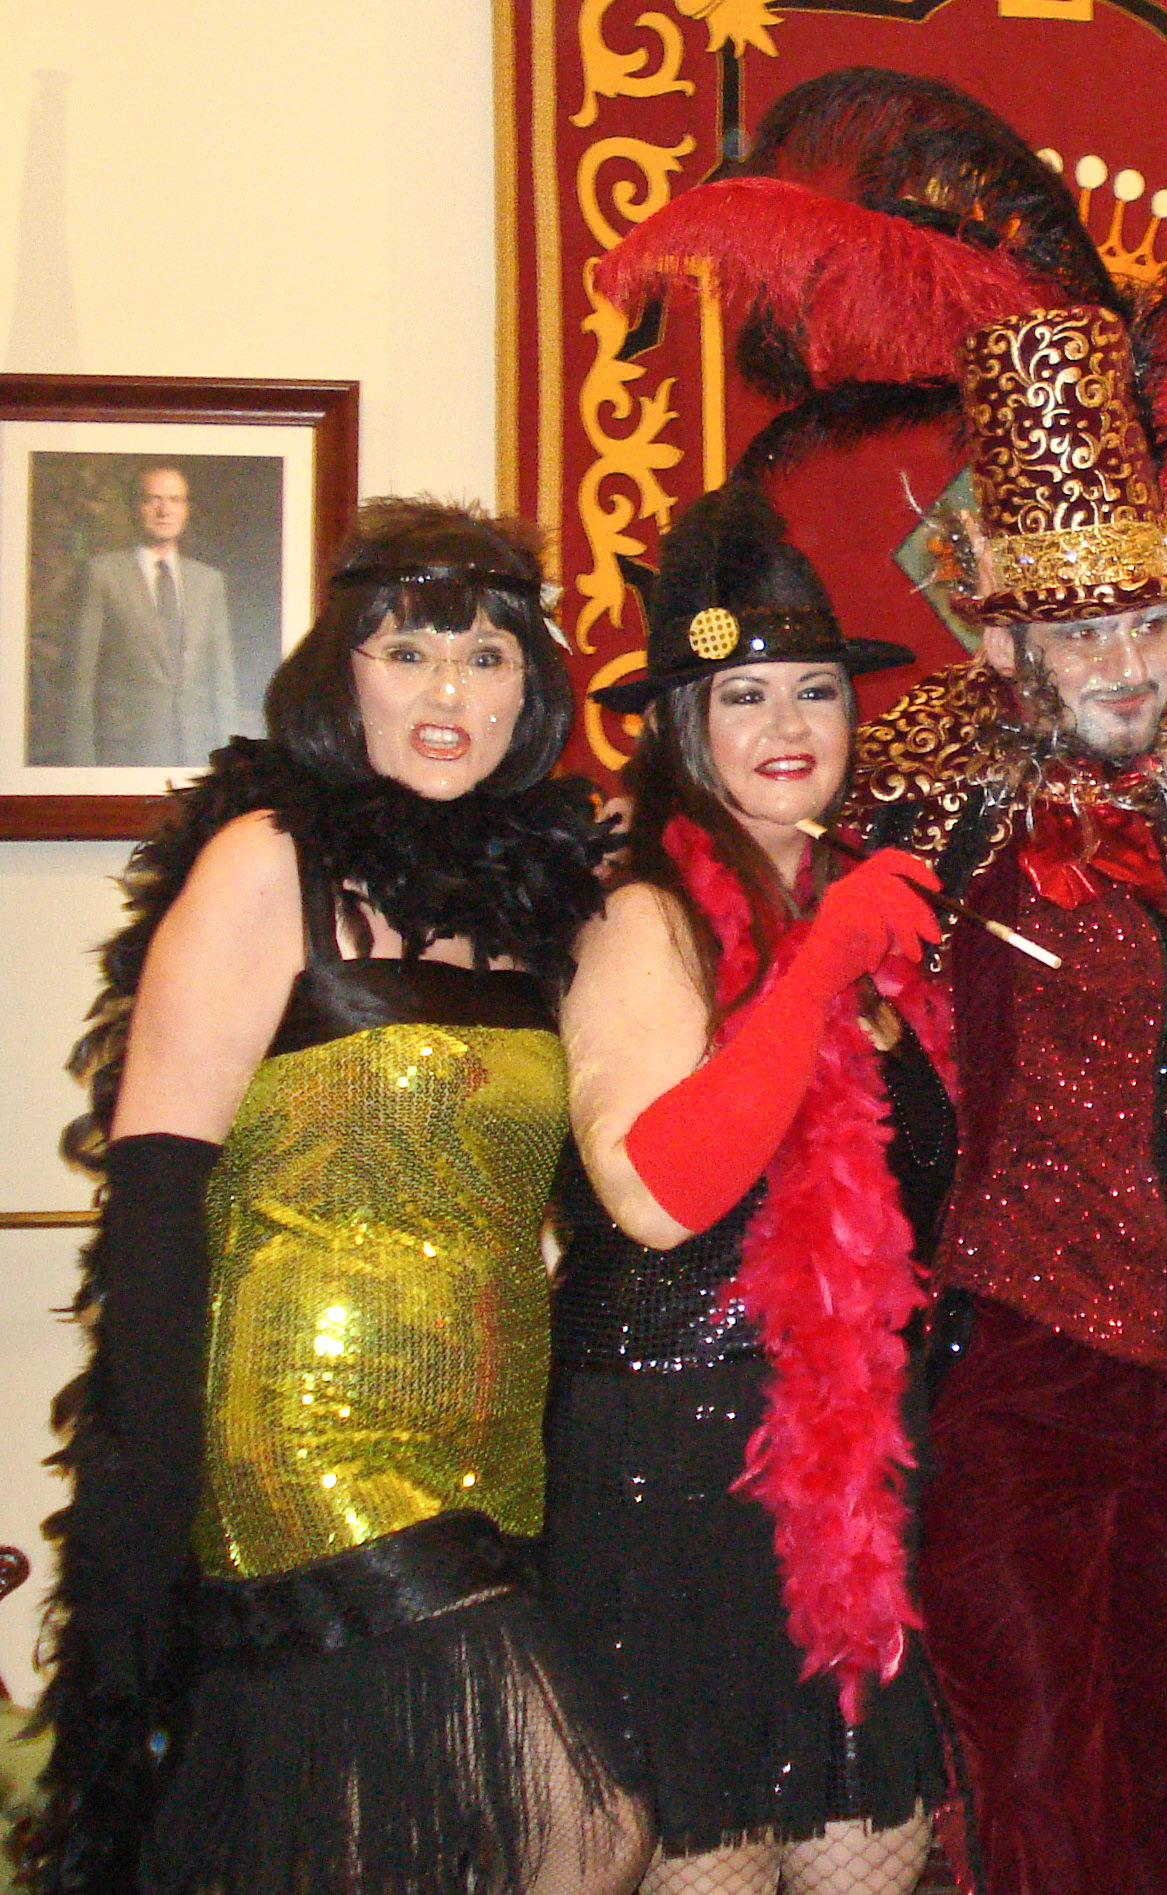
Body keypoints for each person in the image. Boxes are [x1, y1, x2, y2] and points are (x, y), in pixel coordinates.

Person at [29, 499, 643, 1895]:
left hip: (492, 1442)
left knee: (393, 1852)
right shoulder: (266, 863)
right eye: (407, 652)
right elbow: (154, 1194)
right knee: (585, 1828)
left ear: (531, 692)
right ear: (339, 676)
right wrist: (146, 1502)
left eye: (485, 658)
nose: (447, 693)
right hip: (307, 1436)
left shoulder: (535, 903)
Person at [841, 303, 1167, 1895]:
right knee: (1040, 1775)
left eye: (1146, 621)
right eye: (1083, 630)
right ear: (1003, 642)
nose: (1125, 662)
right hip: (1027, 1369)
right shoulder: (921, 812)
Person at [546, 482, 961, 1895]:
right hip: (676, 1457)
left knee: (872, 1847)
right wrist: (824, 960)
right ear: (683, 724)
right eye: (743, 695)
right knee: (712, 1859)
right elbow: (655, 1195)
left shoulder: (861, 909)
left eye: (815, 690)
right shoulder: (643, 915)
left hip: (853, 1461)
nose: (788, 724)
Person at [60, 462, 242, 767]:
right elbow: (79, 683)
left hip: (197, 756)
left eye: (175, 500)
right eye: (152, 499)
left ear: (186, 509)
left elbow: (223, 684)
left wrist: (232, 767)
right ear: (134, 508)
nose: (164, 510)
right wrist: (81, 770)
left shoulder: (209, 582)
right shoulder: (102, 574)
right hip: (123, 758)